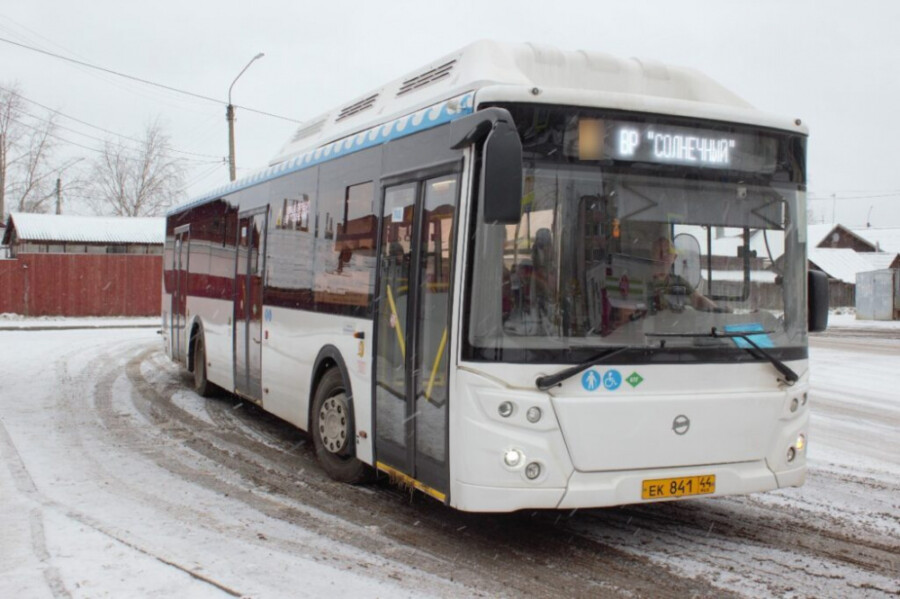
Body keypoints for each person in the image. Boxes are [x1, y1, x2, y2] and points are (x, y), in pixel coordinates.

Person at [647, 236, 719, 312]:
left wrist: (718, 310)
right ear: (651, 254)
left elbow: (698, 300)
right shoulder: (642, 279)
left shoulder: (679, 282)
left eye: (668, 251)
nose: (663, 255)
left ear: (674, 257)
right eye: (659, 251)